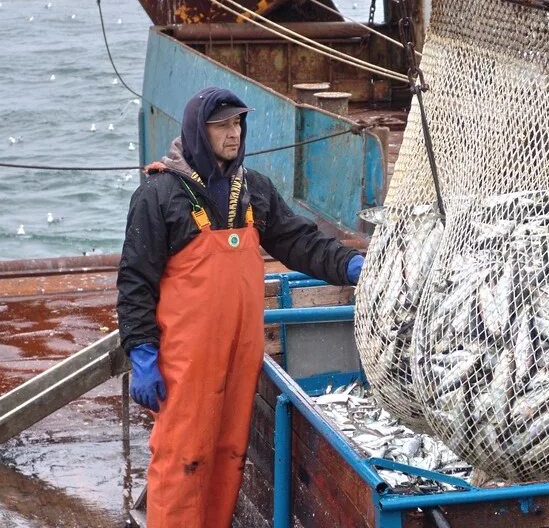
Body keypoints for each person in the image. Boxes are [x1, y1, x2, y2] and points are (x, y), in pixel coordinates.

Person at [117, 86, 364, 527]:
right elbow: (135, 282)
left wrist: (349, 265)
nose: (234, 134)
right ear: (198, 130)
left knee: (228, 456)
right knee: (181, 459)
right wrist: (141, 353)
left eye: (238, 124)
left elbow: (298, 241)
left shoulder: (253, 190)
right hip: (184, 365)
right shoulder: (158, 195)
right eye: (222, 125)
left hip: (239, 359)